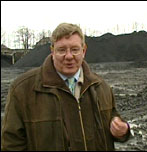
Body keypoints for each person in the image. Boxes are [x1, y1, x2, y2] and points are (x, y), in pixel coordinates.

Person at [1, 23, 131, 151]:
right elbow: (11, 144)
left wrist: (122, 131)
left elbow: (114, 119)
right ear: (52, 51)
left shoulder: (101, 86)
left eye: (75, 49)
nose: (69, 56)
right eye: (62, 50)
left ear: (83, 51)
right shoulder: (23, 89)